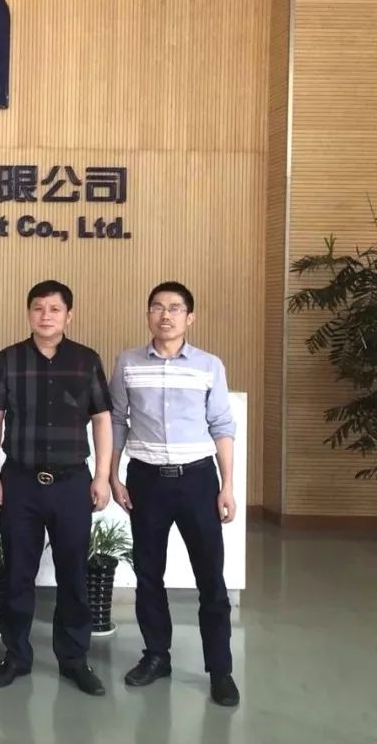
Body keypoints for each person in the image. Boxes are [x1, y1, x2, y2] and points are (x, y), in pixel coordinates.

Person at [108, 281, 239, 707]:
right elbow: (117, 420)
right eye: (157, 307)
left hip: (197, 481)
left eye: (175, 308)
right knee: (149, 574)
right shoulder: (127, 363)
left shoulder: (209, 366)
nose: (165, 315)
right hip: (146, 480)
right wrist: (112, 475)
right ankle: (156, 656)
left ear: (190, 317)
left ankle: (220, 669)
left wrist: (227, 485)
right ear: (148, 314)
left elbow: (221, 425)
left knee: (210, 578)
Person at [0, 280, 112, 696]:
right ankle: (16, 656)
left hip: (72, 482)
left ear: (68, 316)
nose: (46, 315)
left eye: (55, 309)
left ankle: (74, 659)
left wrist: (102, 476)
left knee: (73, 573)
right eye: (38, 308)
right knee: (18, 573)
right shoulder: (9, 359)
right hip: (20, 481)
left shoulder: (86, 360)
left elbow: (102, 419)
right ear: (29, 313)